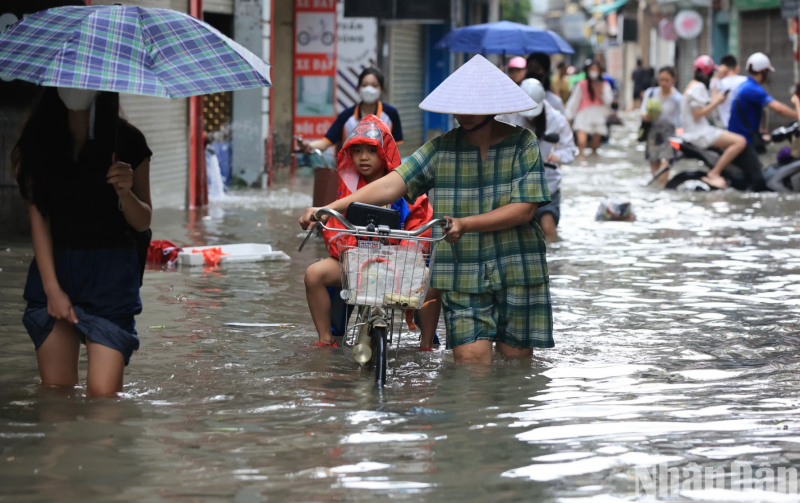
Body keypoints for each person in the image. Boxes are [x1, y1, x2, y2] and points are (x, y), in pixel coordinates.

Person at [300, 55, 554, 364]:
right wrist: (326, 208)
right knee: (471, 364)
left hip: (517, 267)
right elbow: (391, 184)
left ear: (494, 104)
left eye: (475, 106)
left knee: (515, 364)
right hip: (462, 270)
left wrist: (466, 224)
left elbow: (525, 210)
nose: (466, 114)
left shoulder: (523, 143)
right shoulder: (440, 147)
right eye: (460, 105)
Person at [14, 87, 152, 397]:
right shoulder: (40, 139)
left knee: (103, 398)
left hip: (111, 275)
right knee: (56, 394)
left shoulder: (128, 141)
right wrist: (52, 289)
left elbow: (143, 220)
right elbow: (40, 221)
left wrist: (125, 192)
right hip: (56, 270)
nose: (78, 87)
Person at [303, 115, 439, 349]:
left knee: (433, 282)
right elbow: (335, 231)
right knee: (313, 274)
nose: (363, 157)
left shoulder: (408, 189)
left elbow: (421, 229)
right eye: (356, 151)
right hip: (357, 265)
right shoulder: (347, 190)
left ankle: (426, 344)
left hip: (399, 266)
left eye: (371, 151)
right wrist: (350, 255)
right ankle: (325, 340)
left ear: (385, 151)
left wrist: (399, 257)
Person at [497, 78, 575, 242]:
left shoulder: (557, 120)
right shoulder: (507, 115)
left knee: (548, 229)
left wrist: (558, 156)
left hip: (548, 184)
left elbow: (570, 149)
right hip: (514, 186)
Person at [727, 52, 799, 191]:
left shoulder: (745, 85)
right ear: (763, 71)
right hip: (743, 140)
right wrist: (797, 113)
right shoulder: (753, 89)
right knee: (759, 180)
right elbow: (777, 108)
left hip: (741, 137)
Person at [680, 55, 746, 190]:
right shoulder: (698, 87)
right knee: (740, 141)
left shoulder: (695, 85)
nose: (712, 75)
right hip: (699, 133)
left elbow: (707, 102)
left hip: (697, 131)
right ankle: (715, 172)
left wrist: (717, 82)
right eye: (711, 72)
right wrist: (717, 102)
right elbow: (698, 114)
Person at [300, 68, 403, 153]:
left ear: (382, 89)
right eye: (365, 85)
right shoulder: (346, 116)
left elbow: (396, 148)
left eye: (374, 85)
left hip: (382, 174)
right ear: (358, 88)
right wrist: (309, 145)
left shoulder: (391, 114)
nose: (369, 89)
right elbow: (326, 142)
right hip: (352, 173)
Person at [640, 67, 682, 184]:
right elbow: (642, 110)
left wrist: (680, 140)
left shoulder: (678, 99)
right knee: (653, 162)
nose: (663, 83)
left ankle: (662, 188)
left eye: (666, 80)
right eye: (661, 80)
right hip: (652, 132)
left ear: (673, 80)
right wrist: (646, 116)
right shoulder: (651, 93)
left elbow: (680, 122)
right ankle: (657, 190)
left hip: (670, 134)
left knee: (665, 163)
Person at [565, 60, 613, 156]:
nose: (593, 71)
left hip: (598, 115)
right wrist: (569, 116)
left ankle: (593, 163)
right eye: (591, 69)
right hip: (583, 115)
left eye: (595, 69)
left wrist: (601, 92)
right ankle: (581, 162)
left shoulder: (604, 84)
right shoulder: (581, 84)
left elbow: (609, 101)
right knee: (581, 143)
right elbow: (574, 101)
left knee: (595, 147)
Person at [712, 54, 747, 129]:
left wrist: (717, 74)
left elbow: (713, 103)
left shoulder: (719, 84)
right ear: (737, 68)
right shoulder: (746, 81)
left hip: (726, 127)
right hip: (745, 126)